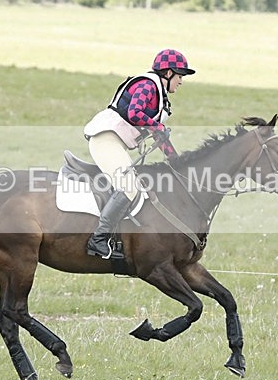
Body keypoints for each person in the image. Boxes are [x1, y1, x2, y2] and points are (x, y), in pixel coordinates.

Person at [83, 48, 195, 259]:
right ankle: (98, 240)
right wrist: (157, 126)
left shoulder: (158, 94)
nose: (181, 81)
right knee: (129, 187)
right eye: (180, 75)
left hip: (114, 142)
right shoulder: (148, 85)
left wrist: (176, 162)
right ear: (168, 73)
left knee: (135, 187)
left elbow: (158, 134)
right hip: (105, 139)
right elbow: (134, 113)